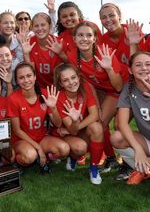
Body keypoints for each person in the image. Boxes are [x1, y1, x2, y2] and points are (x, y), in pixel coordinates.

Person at [67, 21, 128, 173]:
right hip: (100, 89)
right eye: (80, 35)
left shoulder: (104, 53)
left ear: (95, 38)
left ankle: (112, 158)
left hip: (119, 88)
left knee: (101, 121)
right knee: (97, 118)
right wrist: (97, 105)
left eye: (89, 35)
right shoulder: (73, 56)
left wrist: (108, 69)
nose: (84, 39)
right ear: (74, 39)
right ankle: (107, 157)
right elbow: (87, 83)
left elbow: (119, 86)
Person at [7, 62, 69, 171]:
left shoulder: (45, 94)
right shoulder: (13, 99)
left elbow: (58, 124)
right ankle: (19, 162)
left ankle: (44, 158)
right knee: (29, 156)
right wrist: (38, 147)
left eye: (29, 76)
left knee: (64, 149)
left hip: (42, 137)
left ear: (35, 77)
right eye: (21, 78)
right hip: (22, 140)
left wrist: (53, 108)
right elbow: (17, 130)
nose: (26, 80)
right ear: (16, 81)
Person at [53, 63, 104, 184]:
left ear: (78, 77)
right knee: (80, 148)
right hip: (64, 135)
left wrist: (78, 124)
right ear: (60, 84)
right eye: (65, 80)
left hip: (77, 129)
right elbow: (73, 131)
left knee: (97, 127)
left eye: (73, 77)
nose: (71, 82)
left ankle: (94, 168)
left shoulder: (85, 87)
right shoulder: (59, 97)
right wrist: (75, 122)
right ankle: (73, 157)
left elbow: (95, 115)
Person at [111, 51, 150, 185]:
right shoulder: (129, 88)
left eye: (148, 64)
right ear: (131, 70)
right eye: (138, 65)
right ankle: (143, 168)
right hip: (147, 141)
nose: (144, 68)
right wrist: (138, 149)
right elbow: (122, 123)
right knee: (117, 137)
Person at [21, 12, 63, 87]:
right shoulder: (29, 43)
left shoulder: (58, 42)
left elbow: (69, 66)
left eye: (43, 25)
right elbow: (30, 72)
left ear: (49, 26)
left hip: (58, 87)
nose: (40, 28)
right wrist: (26, 54)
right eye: (36, 26)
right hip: (37, 87)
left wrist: (60, 53)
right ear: (32, 28)